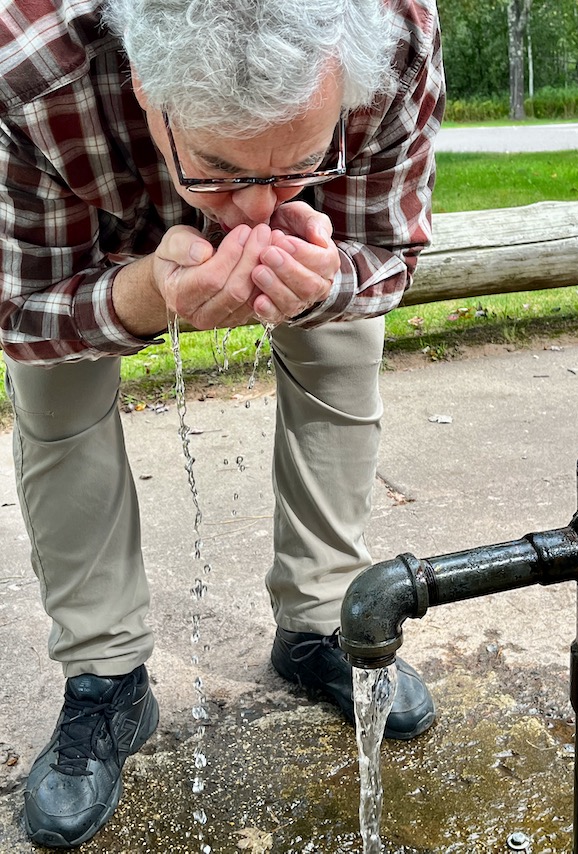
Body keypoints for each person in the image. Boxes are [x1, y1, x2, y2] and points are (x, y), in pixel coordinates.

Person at [0, 0, 445, 846]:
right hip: (81, 215)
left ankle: (320, 624)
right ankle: (105, 680)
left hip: (254, 164)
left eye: (293, 167)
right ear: (140, 79)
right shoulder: (25, 65)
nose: (251, 214)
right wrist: (139, 295)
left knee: (341, 341)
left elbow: (389, 247)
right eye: (220, 173)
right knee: (55, 391)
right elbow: (20, 310)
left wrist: (325, 283)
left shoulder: (397, 35)